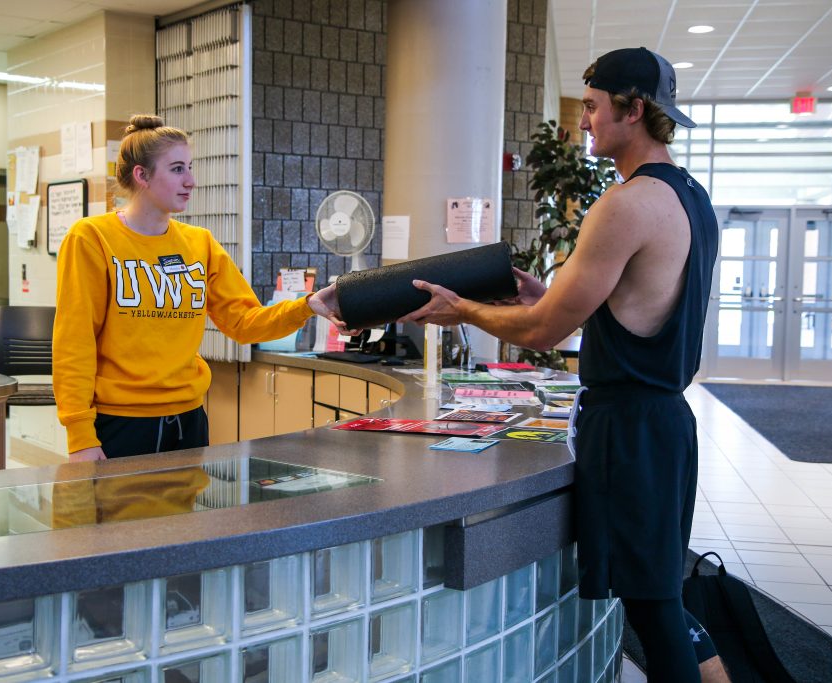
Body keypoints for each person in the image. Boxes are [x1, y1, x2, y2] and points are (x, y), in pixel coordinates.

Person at [399, 48, 727, 682]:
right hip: (663, 423)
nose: (584, 123)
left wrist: (461, 309)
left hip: (630, 430)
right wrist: (540, 297)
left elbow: (548, 330)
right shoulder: (691, 198)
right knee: (657, 593)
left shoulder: (626, 204)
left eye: (595, 108)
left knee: (655, 607)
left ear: (633, 111)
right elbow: (629, 307)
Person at [53, 114, 347, 463]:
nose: (191, 181)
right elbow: (75, 342)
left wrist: (307, 305)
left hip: (189, 421)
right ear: (142, 175)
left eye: (190, 167)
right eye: (177, 169)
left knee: (183, 519)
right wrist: (80, 435)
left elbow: (244, 322)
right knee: (124, 519)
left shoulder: (200, 244)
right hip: (121, 422)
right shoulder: (91, 238)